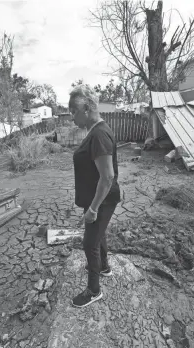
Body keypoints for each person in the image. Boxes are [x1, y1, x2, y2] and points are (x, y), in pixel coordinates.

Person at [68, 84, 121, 308]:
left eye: (73, 111)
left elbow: (107, 177)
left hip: (102, 199)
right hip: (98, 198)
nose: (71, 116)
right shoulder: (96, 132)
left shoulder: (99, 134)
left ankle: (93, 290)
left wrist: (93, 209)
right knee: (98, 235)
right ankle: (105, 267)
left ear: (87, 109)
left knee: (89, 242)